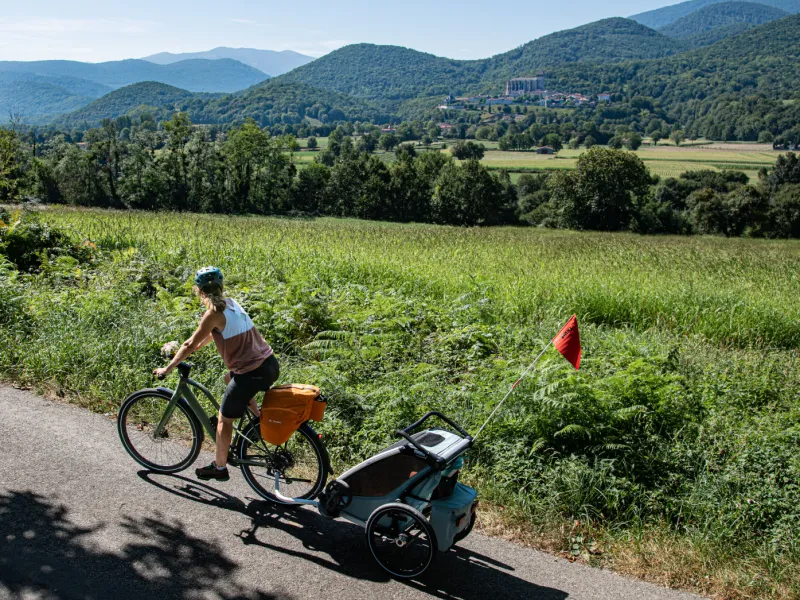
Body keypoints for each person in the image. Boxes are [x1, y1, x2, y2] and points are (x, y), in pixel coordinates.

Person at [154, 266, 279, 481]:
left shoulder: (213, 314)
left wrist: (168, 368)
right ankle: (257, 424)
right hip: (269, 364)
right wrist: (195, 348)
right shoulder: (232, 304)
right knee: (229, 377)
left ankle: (220, 468)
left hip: (251, 373)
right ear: (221, 287)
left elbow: (190, 342)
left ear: (199, 291)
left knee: (224, 419)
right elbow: (214, 335)